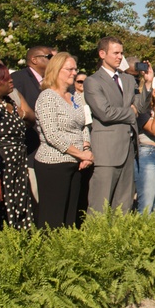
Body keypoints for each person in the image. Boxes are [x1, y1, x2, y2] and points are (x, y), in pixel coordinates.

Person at [82, 37, 150, 214]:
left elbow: (140, 107)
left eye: (121, 53)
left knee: (123, 205)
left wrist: (148, 83)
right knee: (100, 205)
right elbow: (104, 113)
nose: (120, 57)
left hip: (128, 149)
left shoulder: (128, 79)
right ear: (102, 54)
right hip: (106, 151)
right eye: (116, 53)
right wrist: (130, 112)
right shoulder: (93, 81)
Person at [34, 53, 93, 229]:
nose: (74, 73)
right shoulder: (47, 97)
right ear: (56, 70)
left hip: (76, 164)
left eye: (75, 69)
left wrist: (86, 149)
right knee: (53, 217)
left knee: (71, 216)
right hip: (54, 163)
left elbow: (84, 125)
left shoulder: (75, 97)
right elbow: (52, 134)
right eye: (70, 69)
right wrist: (81, 154)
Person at [0, 63, 34, 230]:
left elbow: (31, 119)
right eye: (5, 78)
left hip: (18, 163)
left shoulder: (9, 100)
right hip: (2, 165)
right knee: (4, 205)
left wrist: (22, 114)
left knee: (20, 203)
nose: (11, 81)